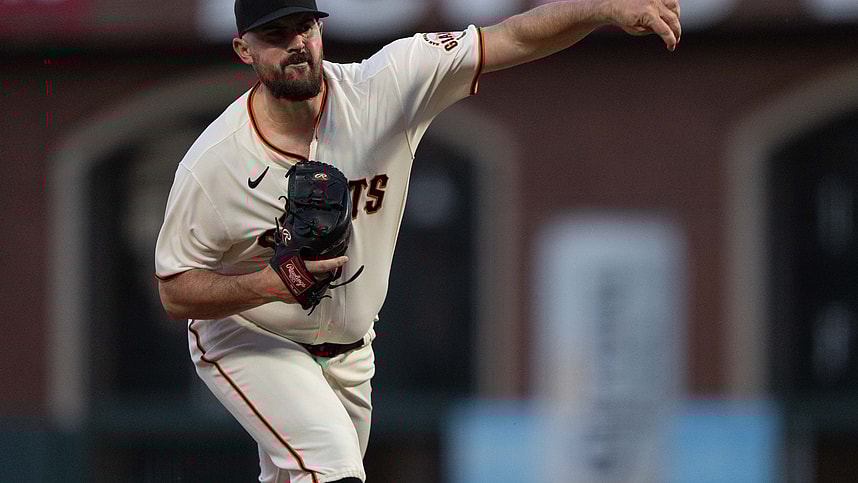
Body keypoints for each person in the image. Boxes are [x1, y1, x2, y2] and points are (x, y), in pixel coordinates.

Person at [154, 0, 681, 481]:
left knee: (305, 473)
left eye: (305, 27)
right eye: (275, 34)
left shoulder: (383, 88)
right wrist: (268, 284)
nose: (296, 43)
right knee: (332, 467)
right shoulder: (215, 163)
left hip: (351, 348)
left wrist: (602, 7)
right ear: (243, 49)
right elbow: (175, 291)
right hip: (252, 336)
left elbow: (513, 37)